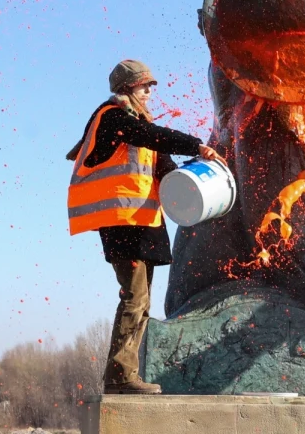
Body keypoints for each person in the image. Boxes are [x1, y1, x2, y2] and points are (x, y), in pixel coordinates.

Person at [65, 59, 223, 395]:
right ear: (127, 88)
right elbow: (151, 136)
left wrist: (200, 185)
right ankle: (121, 378)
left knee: (143, 301)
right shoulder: (112, 117)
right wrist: (196, 144)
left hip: (142, 221)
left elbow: (165, 168)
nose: (150, 91)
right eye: (144, 85)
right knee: (135, 298)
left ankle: (125, 375)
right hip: (121, 221)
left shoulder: (137, 122)